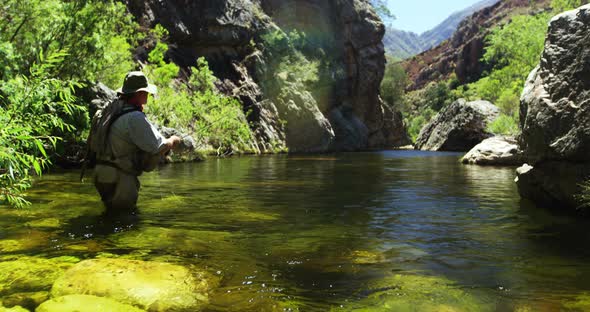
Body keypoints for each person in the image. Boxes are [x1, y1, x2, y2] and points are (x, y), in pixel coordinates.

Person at [93, 71, 181, 214]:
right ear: (139, 93)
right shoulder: (134, 117)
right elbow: (158, 146)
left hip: (101, 174)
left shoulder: (112, 110)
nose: (148, 95)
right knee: (124, 220)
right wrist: (173, 140)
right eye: (146, 92)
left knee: (110, 216)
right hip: (120, 177)